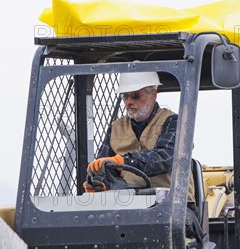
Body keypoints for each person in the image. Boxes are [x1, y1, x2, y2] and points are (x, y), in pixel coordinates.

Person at [85, 70, 198, 235]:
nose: (129, 102)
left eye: (135, 96)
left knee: (162, 226)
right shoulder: (115, 128)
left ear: (153, 94)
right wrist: (100, 183)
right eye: (125, 96)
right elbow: (104, 165)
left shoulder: (173, 122)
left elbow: (166, 157)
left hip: (173, 205)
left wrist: (125, 162)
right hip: (127, 206)